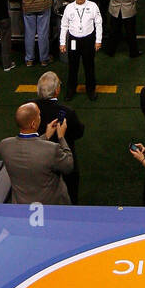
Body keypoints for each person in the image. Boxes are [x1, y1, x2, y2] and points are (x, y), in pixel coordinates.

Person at [0, 102, 73, 206]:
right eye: (39, 115)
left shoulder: (4, 145)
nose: (40, 117)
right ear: (33, 124)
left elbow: (29, 149)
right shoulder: (51, 149)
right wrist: (61, 137)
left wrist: (46, 136)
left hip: (21, 206)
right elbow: (68, 166)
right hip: (51, 207)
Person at [36, 71, 84, 204]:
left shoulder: (31, 108)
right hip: (63, 155)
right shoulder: (67, 112)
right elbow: (79, 132)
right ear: (57, 90)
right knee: (70, 191)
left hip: (38, 157)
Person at [60, 0, 103, 101]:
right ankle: (71, 90)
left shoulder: (93, 6)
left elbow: (98, 24)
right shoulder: (69, 8)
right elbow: (64, 26)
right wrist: (62, 43)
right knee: (73, 66)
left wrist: (98, 41)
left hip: (88, 40)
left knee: (89, 66)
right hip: (74, 40)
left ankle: (91, 90)